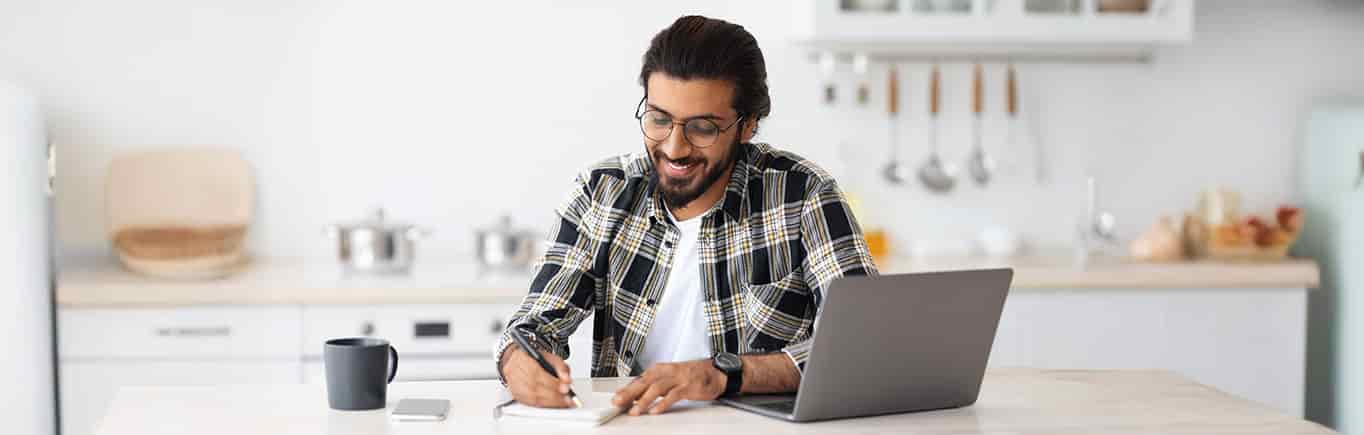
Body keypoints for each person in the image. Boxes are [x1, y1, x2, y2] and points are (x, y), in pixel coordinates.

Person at [494, 14, 877, 416]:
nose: (675, 148)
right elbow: (533, 326)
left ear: (747, 126)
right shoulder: (602, 193)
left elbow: (866, 345)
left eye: (702, 128)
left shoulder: (803, 195)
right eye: (659, 120)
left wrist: (725, 374)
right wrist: (518, 362)